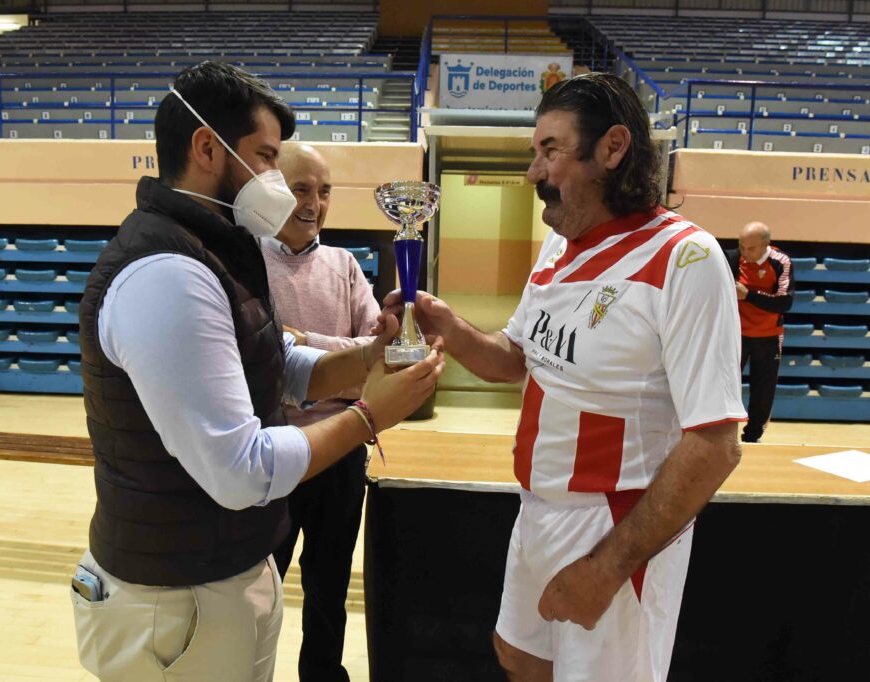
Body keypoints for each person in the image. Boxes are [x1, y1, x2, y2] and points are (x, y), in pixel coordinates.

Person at [71, 62, 443, 682]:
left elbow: (274, 363)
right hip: (175, 598)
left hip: (221, 574)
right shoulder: (169, 273)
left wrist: (367, 358)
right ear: (207, 148)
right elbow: (240, 469)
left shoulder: (214, 249)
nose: (278, 181)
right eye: (267, 158)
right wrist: (369, 414)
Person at [378, 73, 746, 681]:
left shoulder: (686, 259)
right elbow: (513, 358)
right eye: (534, 152)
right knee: (519, 659)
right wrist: (445, 324)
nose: (533, 172)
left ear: (613, 148)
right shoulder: (558, 246)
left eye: (549, 150)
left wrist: (606, 568)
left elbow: (715, 443)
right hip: (537, 509)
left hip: (614, 525)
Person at [260, 143, 380, 682]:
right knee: (259, 585)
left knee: (329, 585)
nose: (314, 203)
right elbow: (261, 366)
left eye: (324, 191)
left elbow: (376, 361)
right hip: (271, 451)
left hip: (341, 447)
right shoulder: (247, 263)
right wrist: (346, 357)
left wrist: (307, 343)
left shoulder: (345, 265)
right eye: (301, 189)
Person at [725, 222, 794, 443]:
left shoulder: (781, 262)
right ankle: (724, 435)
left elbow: (784, 302)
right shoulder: (731, 258)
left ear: (766, 245)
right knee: (726, 386)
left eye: (751, 248)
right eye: (741, 246)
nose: (744, 253)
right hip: (735, 335)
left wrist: (749, 295)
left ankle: (753, 437)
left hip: (768, 335)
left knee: (763, 390)